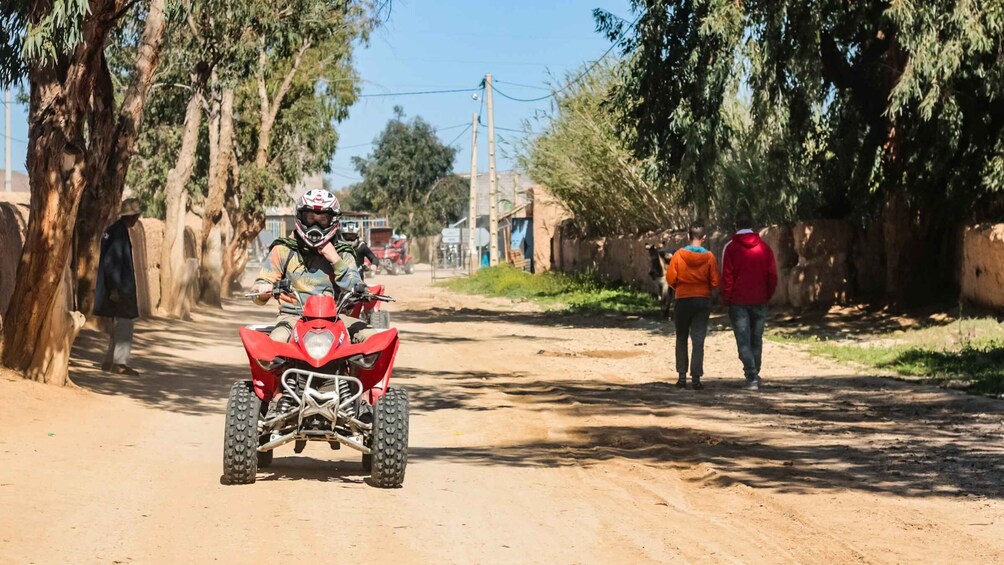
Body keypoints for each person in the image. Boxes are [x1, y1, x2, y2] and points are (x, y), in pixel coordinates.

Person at [249, 189, 376, 344]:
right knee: (274, 344)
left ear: (333, 221)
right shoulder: (283, 249)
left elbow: (355, 285)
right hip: (292, 318)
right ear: (300, 217)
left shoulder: (343, 253)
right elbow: (259, 293)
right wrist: (263, 289)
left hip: (336, 319)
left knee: (373, 340)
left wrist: (335, 259)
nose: (315, 225)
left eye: (322, 219)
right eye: (310, 218)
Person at [721, 210, 778, 391]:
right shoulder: (764, 248)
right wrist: (767, 294)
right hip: (760, 299)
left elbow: (727, 276)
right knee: (756, 338)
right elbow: (772, 275)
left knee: (743, 339)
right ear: (752, 225)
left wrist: (727, 298)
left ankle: (751, 375)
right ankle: (755, 372)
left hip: (738, 302)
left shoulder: (730, 248)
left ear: (735, 226)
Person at [666, 224, 720, 390]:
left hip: (683, 299)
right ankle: (696, 378)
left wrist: (681, 288)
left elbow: (670, 278)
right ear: (704, 238)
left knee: (681, 337)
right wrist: (704, 289)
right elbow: (715, 281)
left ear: (688, 236)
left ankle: (682, 377)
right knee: (698, 339)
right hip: (702, 301)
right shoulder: (709, 257)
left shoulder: (678, 255)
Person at [94, 198, 143, 376]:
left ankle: (109, 361)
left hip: (115, 287)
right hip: (120, 289)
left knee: (117, 326)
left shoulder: (113, 231)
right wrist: (115, 289)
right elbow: (112, 263)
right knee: (124, 324)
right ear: (132, 217)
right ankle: (120, 363)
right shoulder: (118, 233)